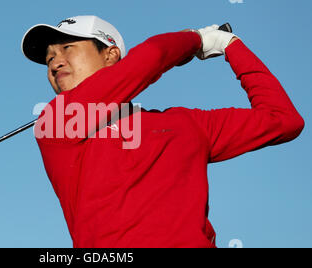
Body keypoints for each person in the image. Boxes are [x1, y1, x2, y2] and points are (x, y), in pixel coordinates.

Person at [21, 15, 304, 248]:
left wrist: (232, 47)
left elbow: (282, 119)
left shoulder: (186, 124)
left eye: (67, 48)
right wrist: (197, 40)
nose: (55, 62)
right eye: (49, 58)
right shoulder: (55, 123)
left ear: (110, 54)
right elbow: (152, 57)